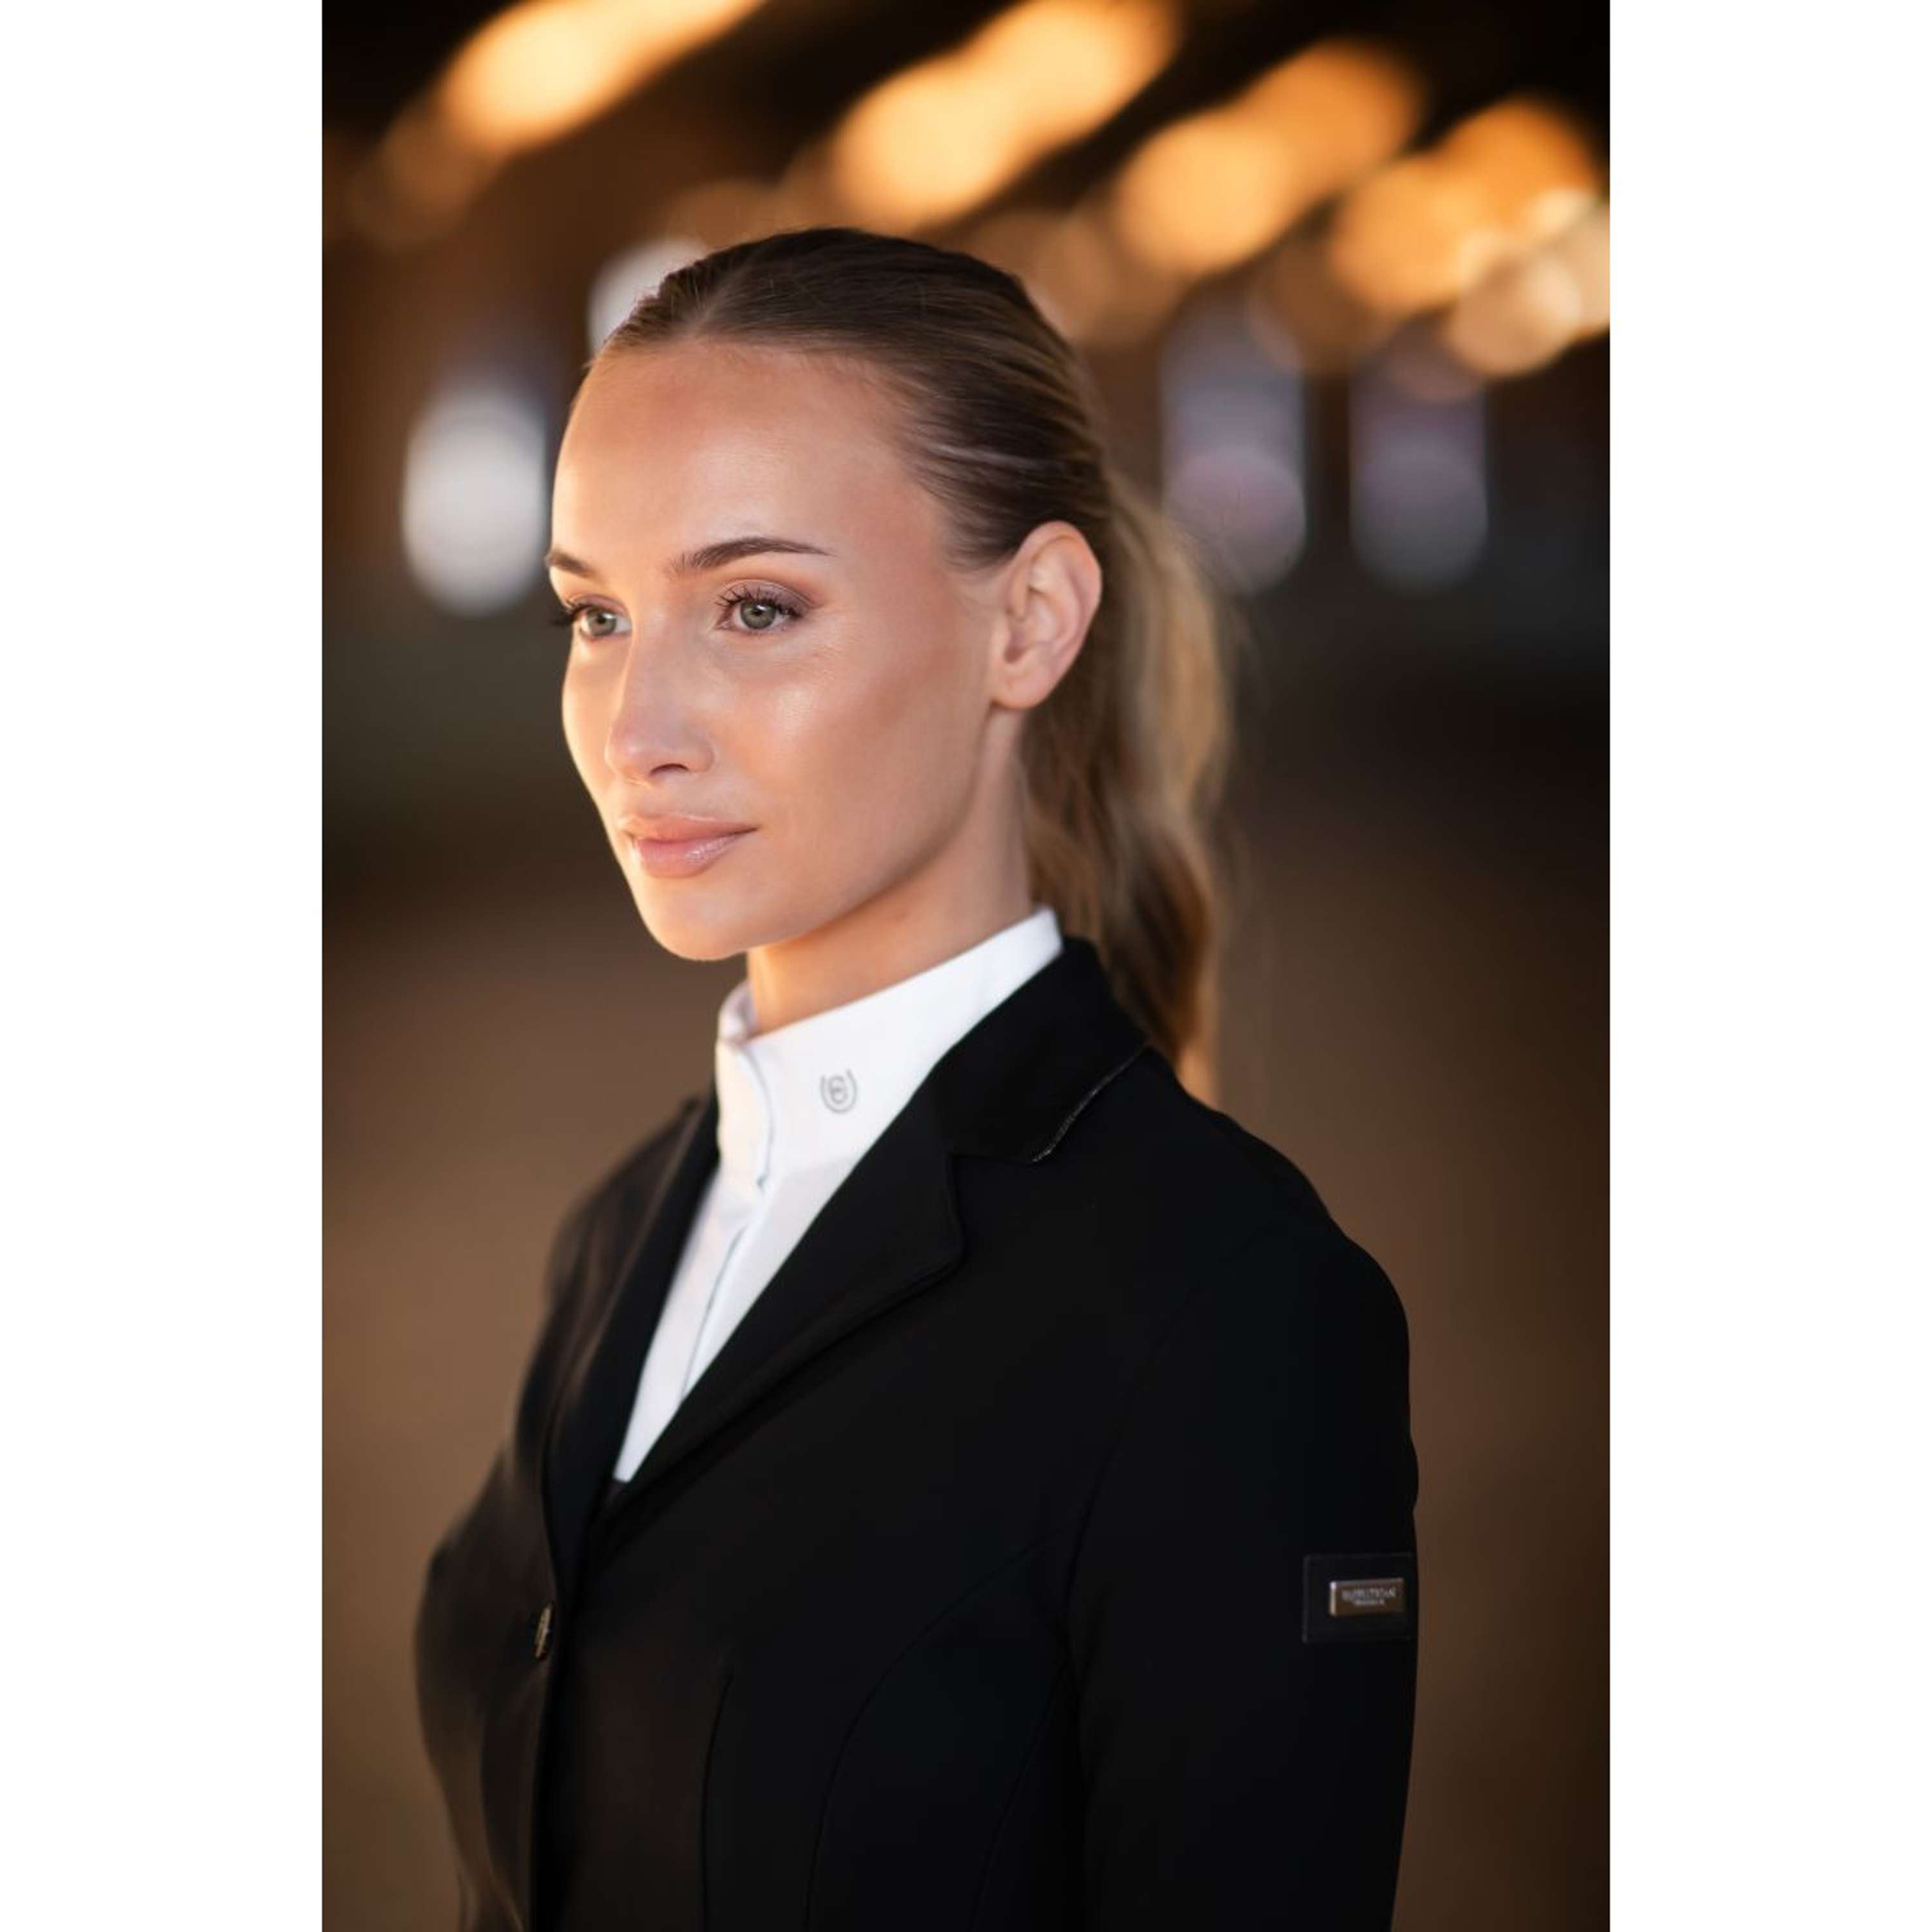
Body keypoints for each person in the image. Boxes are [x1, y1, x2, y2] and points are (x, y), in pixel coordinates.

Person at [413, 225, 1419, 1932]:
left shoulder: (1233, 1311)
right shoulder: (623, 1233)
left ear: (1029, 623)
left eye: (755, 607)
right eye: (596, 614)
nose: (636, 728)